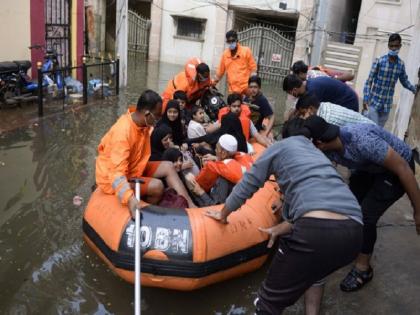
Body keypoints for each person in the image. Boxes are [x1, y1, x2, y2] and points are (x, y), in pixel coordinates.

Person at [206, 132, 363, 315]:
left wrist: (224, 213)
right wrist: (284, 225)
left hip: (315, 230)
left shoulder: (277, 149)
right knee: (315, 273)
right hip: (355, 230)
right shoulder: (315, 156)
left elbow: (249, 182)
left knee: (267, 303)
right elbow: (319, 204)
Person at [299, 116, 420, 292]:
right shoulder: (327, 148)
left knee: (366, 215)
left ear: (319, 143)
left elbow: (403, 169)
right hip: (369, 167)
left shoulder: (362, 141)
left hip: (397, 169)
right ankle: (354, 244)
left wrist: (418, 210)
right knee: (350, 205)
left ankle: (363, 269)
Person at [95, 90, 196, 215]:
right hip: (112, 178)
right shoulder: (122, 133)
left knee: (168, 166)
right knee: (157, 186)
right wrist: (130, 198)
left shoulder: (143, 126)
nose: (158, 120)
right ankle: (148, 212)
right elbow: (116, 174)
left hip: (134, 168)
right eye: (157, 116)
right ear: (147, 114)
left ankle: (191, 207)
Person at [363, 33, 417, 127]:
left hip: (386, 106)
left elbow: (404, 81)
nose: (393, 48)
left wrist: (414, 89)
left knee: (380, 131)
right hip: (374, 103)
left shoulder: (400, 64)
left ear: (400, 46)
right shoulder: (379, 61)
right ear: (388, 46)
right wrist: (366, 98)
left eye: (396, 46)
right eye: (391, 46)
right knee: (374, 129)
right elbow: (369, 81)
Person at [185, 134, 250, 206]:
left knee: (187, 177)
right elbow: (227, 163)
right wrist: (217, 158)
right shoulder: (235, 166)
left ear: (224, 154)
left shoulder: (223, 180)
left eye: (216, 148)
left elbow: (216, 207)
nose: (215, 150)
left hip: (209, 205)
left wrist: (200, 191)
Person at [283, 74, 359, 112]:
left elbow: (313, 112)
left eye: (290, 93)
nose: (292, 96)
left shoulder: (313, 90)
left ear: (294, 90)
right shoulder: (309, 84)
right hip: (345, 98)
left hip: (348, 102)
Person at [214, 30, 257, 95]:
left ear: (237, 40)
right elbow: (220, 72)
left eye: (233, 41)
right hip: (233, 90)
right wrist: (213, 83)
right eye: (229, 41)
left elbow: (253, 69)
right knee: (233, 105)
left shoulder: (246, 51)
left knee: (248, 105)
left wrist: (253, 86)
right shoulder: (225, 55)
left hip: (246, 89)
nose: (231, 43)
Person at [295, 92, 374, 126]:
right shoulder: (323, 105)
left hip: (371, 134)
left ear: (311, 108)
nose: (303, 117)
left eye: (303, 113)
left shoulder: (325, 120)